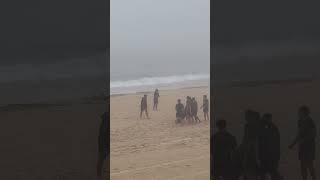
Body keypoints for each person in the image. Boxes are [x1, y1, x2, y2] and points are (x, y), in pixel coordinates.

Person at [289, 106, 316, 180]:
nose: (298, 113)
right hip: (302, 146)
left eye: (300, 111)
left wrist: (303, 140)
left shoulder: (310, 121)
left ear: (305, 112)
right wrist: (293, 144)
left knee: (309, 164)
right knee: (303, 165)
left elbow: (313, 134)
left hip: (309, 146)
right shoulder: (300, 121)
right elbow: (299, 134)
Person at [258, 113, 282, 180]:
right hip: (267, 155)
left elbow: (274, 143)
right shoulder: (268, 127)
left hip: (270, 155)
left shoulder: (271, 128)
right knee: (267, 172)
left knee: (270, 172)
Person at [241, 110, 260, 180]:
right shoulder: (250, 125)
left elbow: (246, 138)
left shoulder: (248, 126)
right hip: (252, 148)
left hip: (252, 148)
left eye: (246, 116)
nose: (245, 118)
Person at [97, 111, 109, 177]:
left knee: (101, 160)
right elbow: (103, 133)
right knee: (101, 159)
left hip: (105, 142)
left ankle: (99, 175)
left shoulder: (106, 118)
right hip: (105, 142)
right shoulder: (107, 119)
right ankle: (99, 176)